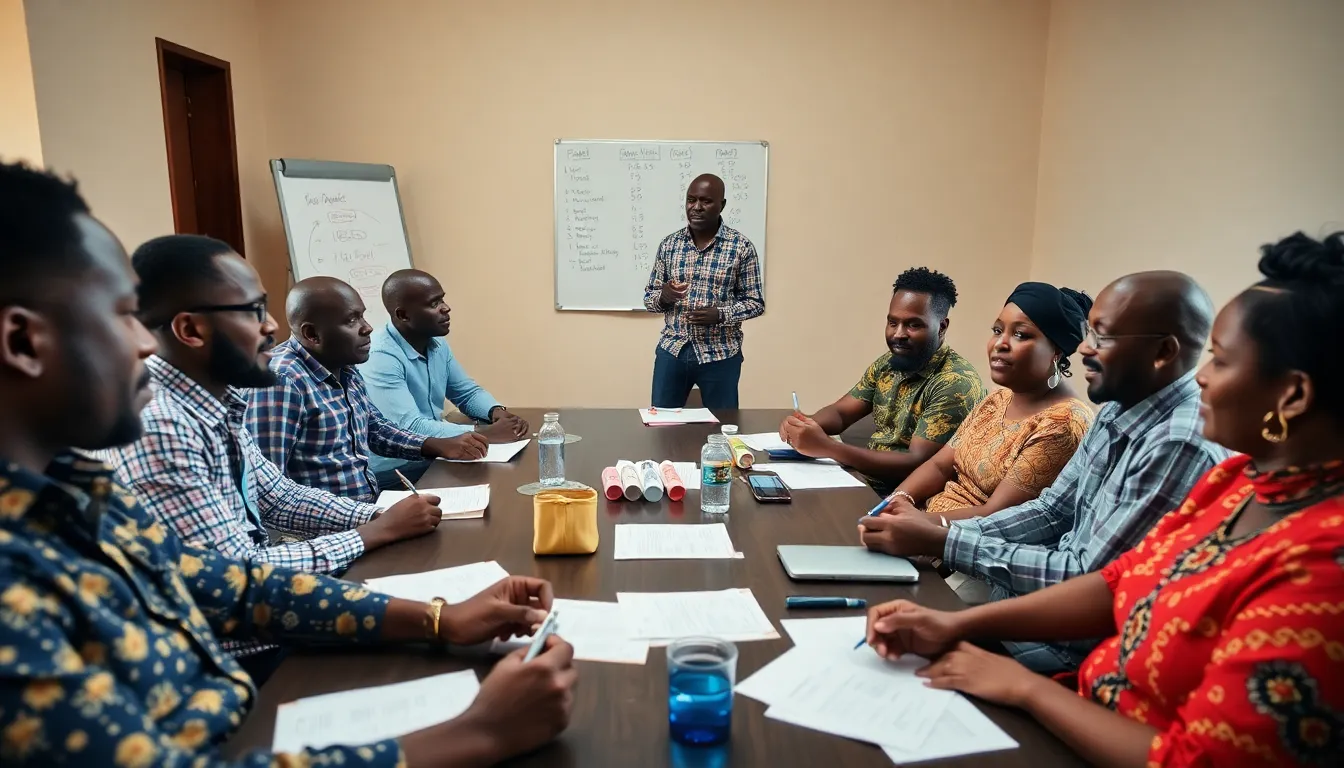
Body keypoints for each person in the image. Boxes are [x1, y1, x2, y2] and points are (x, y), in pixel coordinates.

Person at [0, 161, 576, 766]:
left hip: (241, 691)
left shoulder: (73, 488)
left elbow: (231, 585)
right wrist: (476, 735)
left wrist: (438, 620)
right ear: (22, 342)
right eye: (120, 315)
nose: (144, 342)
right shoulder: (16, 581)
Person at [861, 231, 1344, 767]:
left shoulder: (1319, 567)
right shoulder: (1233, 482)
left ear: (1293, 395)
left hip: (1070, 686)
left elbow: (1195, 758)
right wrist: (958, 619)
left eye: (1222, 362)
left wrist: (1024, 687)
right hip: (1076, 684)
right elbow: (1114, 577)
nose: (1201, 377)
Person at [859, 270, 1228, 673]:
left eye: (1101, 336)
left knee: (886, 656)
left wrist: (945, 541)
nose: (1083, 348)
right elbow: (1051, 510)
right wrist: (936, 532)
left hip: (1067, 648)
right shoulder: (1120, 408)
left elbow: (1088, 578)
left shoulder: (1176, 444)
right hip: (1019, 601)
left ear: (1163, 353)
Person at [105, 236, 442, 675]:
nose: (270, 329)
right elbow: (235, 577)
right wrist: (369, 535)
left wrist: (375, 518)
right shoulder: (161, 424)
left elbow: (277, 494)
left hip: (267, 618)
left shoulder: (213, 399)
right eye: (251, 311)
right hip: (234, 657)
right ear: (189, 330)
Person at [878, 283, 1095, 600]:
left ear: (1056, 351)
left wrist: (922, 527)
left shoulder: (1063, 424)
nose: (1000, 344)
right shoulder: (1000, 398)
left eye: (1020, 335)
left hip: (972, 563)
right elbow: (940, 464)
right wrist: (896, 503)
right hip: (924, 532)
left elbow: (998, 513)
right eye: (998, 330)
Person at [246, 276, 490, 502]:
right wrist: (371, 521)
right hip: (318, 535)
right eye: (352, 320)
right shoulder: (280, 382)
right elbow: (268, 492)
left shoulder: (344, 365)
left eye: (362, 316)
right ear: (312, 334)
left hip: (366, 513)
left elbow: (375, 429)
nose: (367, 327)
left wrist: (434, 444)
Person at [780, 267, 986, 497]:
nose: (898, 334)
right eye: (892, 322)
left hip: (904, 498)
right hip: (863, 477)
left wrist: (828, 448)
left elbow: (915, 464)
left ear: (942, 326)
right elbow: (841, 412)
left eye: (913, 324)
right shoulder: (890, 363)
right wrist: (805, 428)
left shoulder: (955, 383)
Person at [361, 269, 528, 488]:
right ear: (403, 315)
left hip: (437, 453)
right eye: (433, 304)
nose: (446, 308)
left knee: (513, 476)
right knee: (497, 487)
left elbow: (466, 393)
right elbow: (409, 427)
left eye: (442, 299)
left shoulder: (436, 343)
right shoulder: (380, 356)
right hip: (397, 469)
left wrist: (497, 413)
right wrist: (484, 434)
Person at [642, 173, 764, 409]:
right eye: (691, 200)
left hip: (720, 355)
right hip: (672, 351)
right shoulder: (670, 245)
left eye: (706, 201)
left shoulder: (741, 247)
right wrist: (664, 296)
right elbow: (650, 299)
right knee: (662, 427)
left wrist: (720, 314)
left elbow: (755, 302)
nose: (696, 207)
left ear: (722, 205)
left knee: (723, 428)